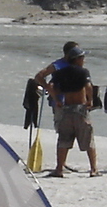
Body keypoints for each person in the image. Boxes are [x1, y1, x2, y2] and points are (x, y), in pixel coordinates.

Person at [32, 41, 99, 178]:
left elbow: (51, 85)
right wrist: (90, 100)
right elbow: (88, 87)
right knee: (88, 139)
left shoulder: (60, 72)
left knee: (64, 139)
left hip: (65, 108)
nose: (84, 60)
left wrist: (56, 98)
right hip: (80, 108)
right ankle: (93, 169)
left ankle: (59, 169)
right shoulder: (80, 71)